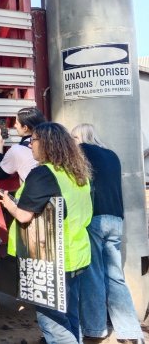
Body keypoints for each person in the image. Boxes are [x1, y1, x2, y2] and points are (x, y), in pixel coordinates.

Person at [0, 122, 92, 344]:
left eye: (34, 140)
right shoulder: (76, 173)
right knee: (69, 315)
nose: (30, 144)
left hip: (51, 261)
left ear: (48, 144)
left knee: (52, 322)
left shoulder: (43, 174)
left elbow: (24, 216)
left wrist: (8, 203)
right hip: (77, 255)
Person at [71, 123, 144, 343]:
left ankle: (95, 329)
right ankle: (130, 331)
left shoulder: (82, 150)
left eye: (74, 137)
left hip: (95, 217)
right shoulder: (112, 155)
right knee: (115, 276)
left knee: (93, 275)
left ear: (80, 137)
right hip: (116, 218)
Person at [0, 106, 47, 183]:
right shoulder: (51, 143)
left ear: (25, 128)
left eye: (17, 123)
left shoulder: (17, 150)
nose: (14, 126)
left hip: (34, 193)